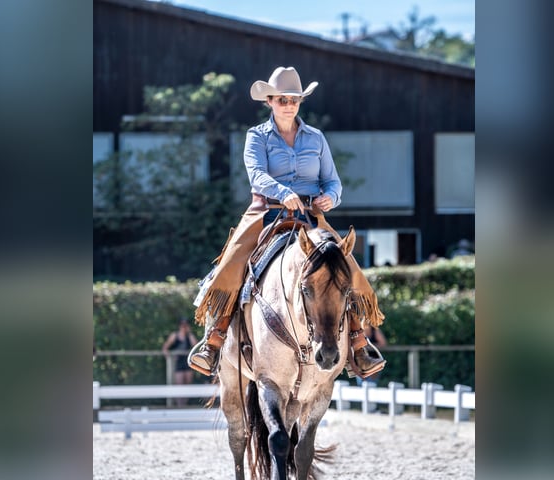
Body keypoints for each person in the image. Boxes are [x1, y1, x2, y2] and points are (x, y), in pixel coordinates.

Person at [188, 66, 386, 379]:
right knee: (231, 263)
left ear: (300, 101)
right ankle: (215, 339)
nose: (288, 104)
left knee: (347, 269)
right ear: (269, 101)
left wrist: (330, 198)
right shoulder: (256, 136)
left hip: (310, 216)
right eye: (282, 99)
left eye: (294, 99)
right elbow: (257, 175)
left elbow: (333, 182)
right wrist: (284, 192)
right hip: (267, 211)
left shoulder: (316, 138)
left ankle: (358, 341)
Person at [162, 318, 199, 406]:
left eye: (186, 326)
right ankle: (179, 405)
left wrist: (189, 333)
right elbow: (165, 348)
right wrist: (169, 358)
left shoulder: (189, 336)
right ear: (179, 326)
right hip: (178, 363)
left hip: (188, 363)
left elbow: (196, 346)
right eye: (182, 325)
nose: (184, 327)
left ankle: (184, 404)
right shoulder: (174, 335)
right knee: (179, 384)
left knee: (187, 384)